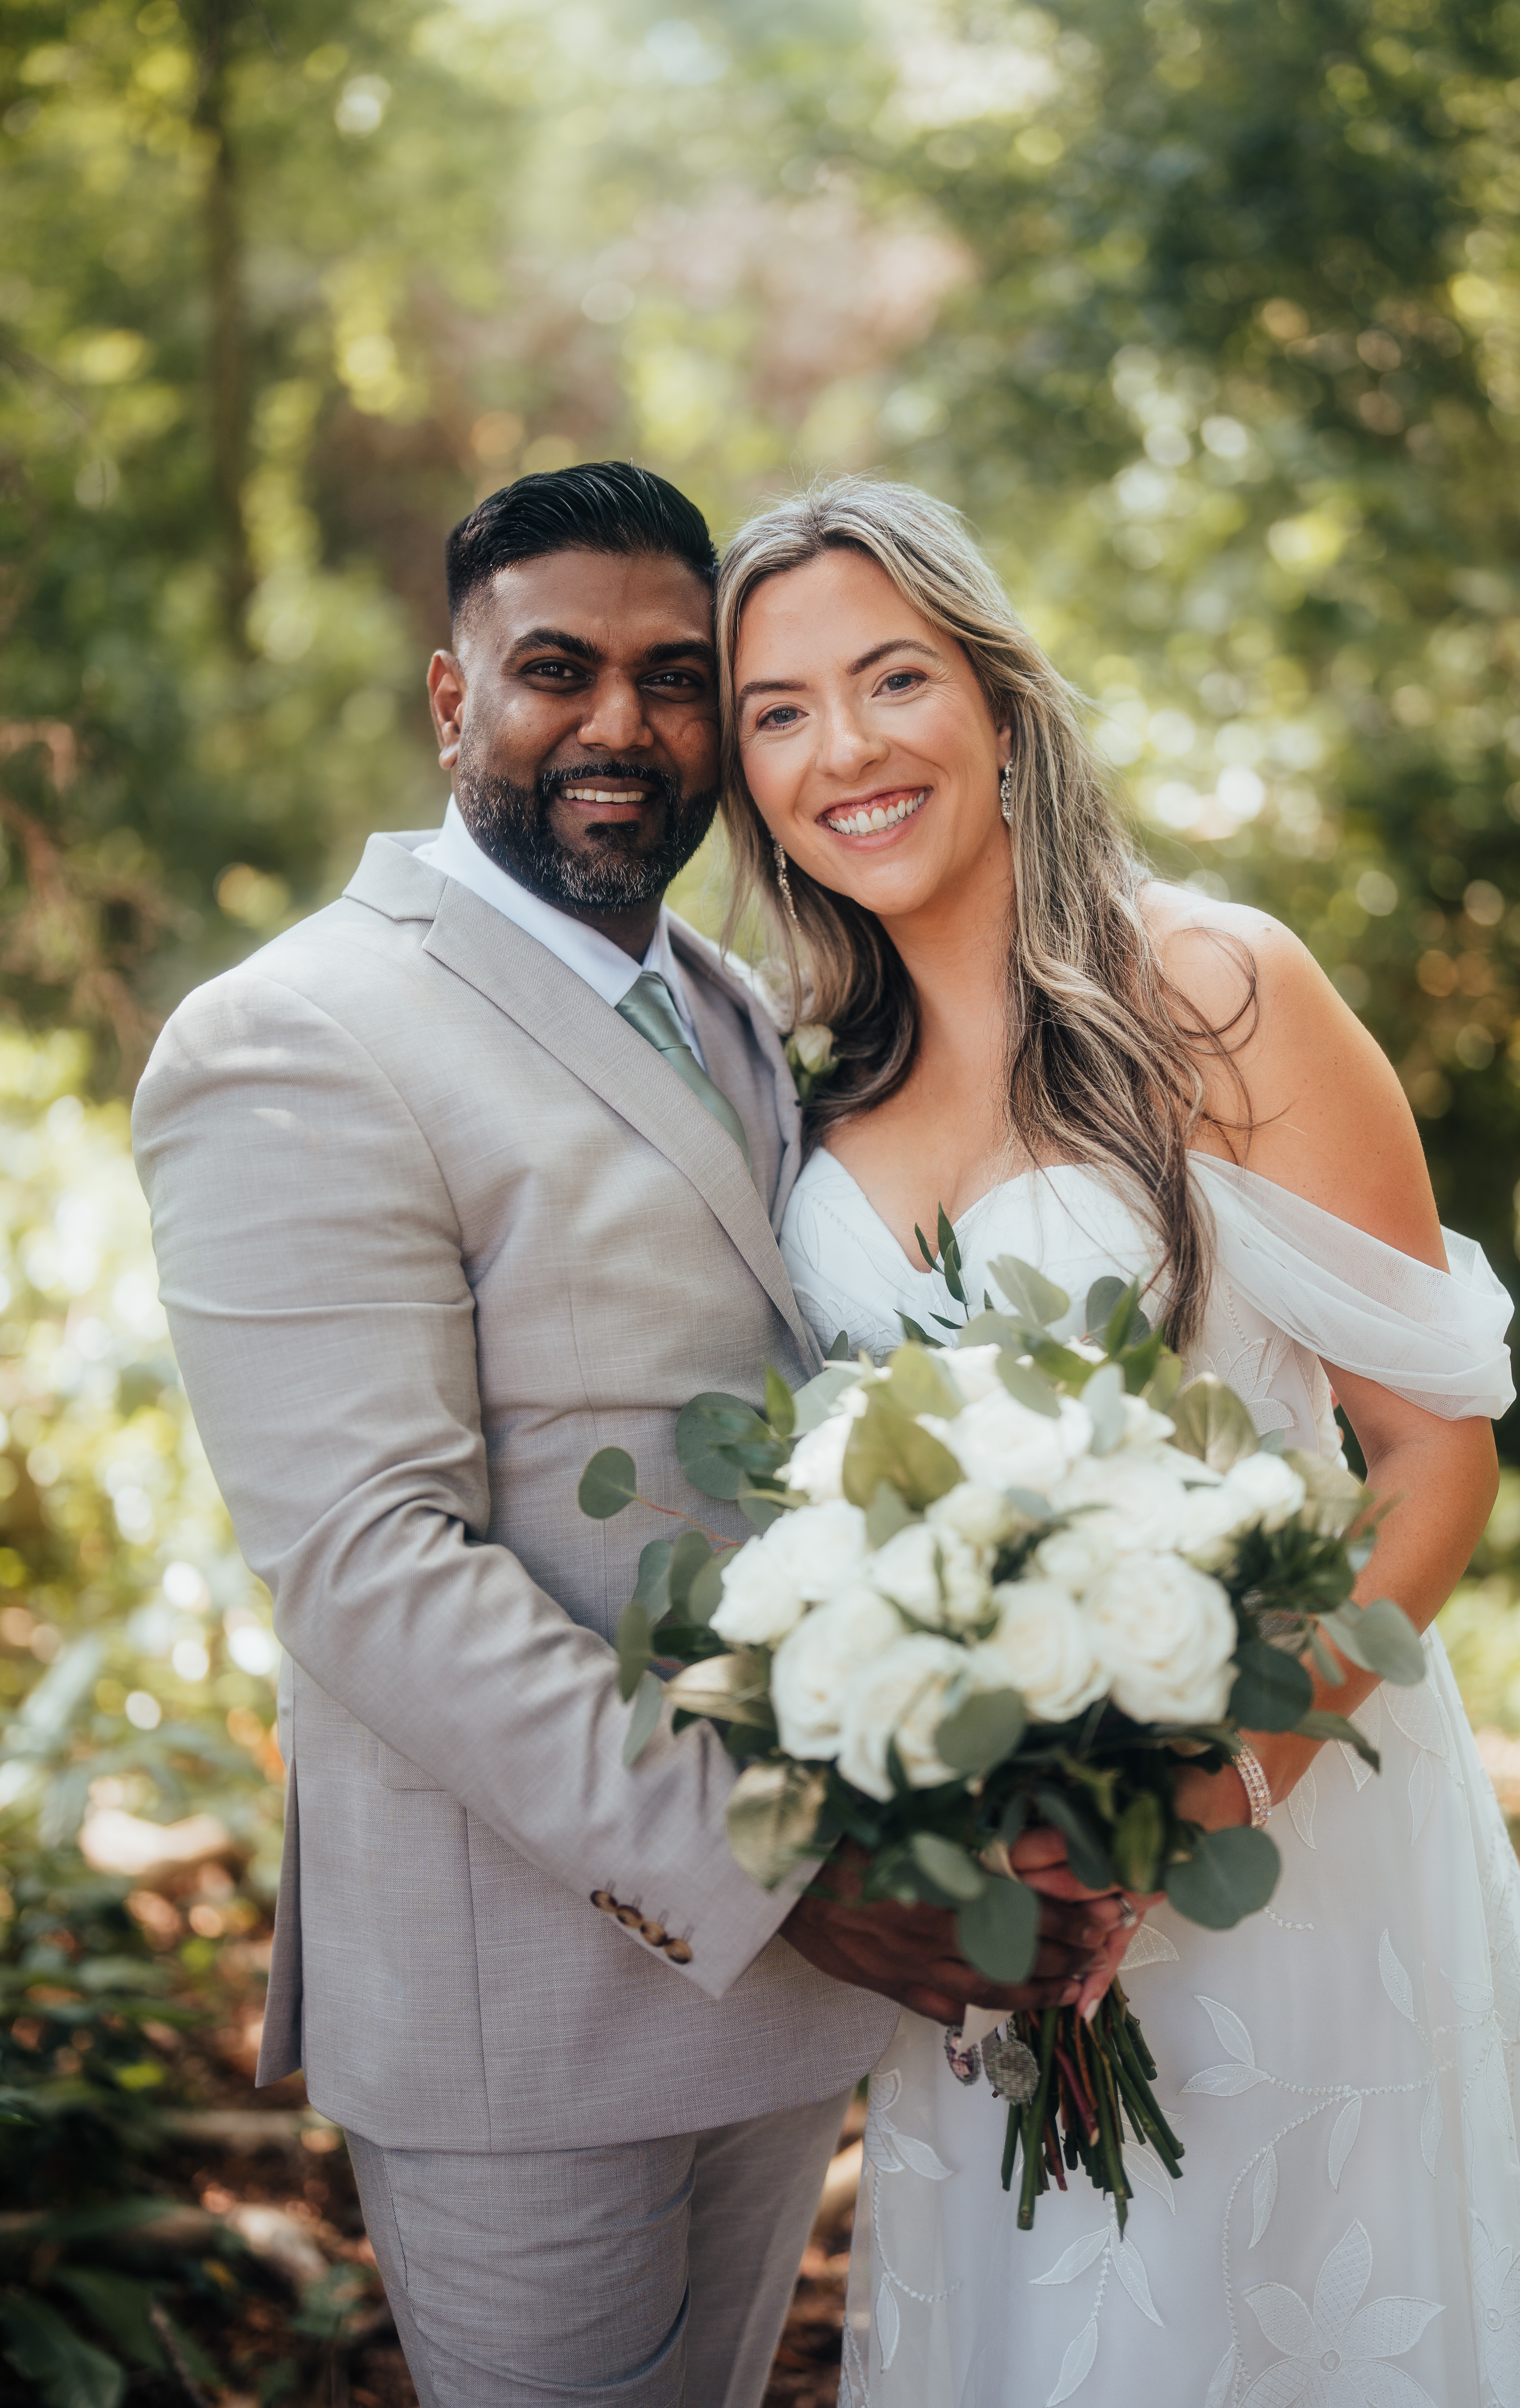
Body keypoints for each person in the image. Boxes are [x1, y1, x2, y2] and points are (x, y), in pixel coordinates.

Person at [132, 462, 1119, 2408]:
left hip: (780, 1992)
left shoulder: (739, 1004)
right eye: (556, 671)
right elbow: (369, 1569)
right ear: (450, 698)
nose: (622, 726)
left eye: (679, 682)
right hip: (534, 2002)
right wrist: (777, 1860)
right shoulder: (300, 1035)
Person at [714, 474, 1520, 2408]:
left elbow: (1437, 1458)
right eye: (779, 712)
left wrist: (1201, 1807)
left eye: (892, 681)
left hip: (1288, 1862)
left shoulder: (1213, 991)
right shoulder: (807, 1096)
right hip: (1001, 1925)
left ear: (1003, 702)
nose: (843, 751)